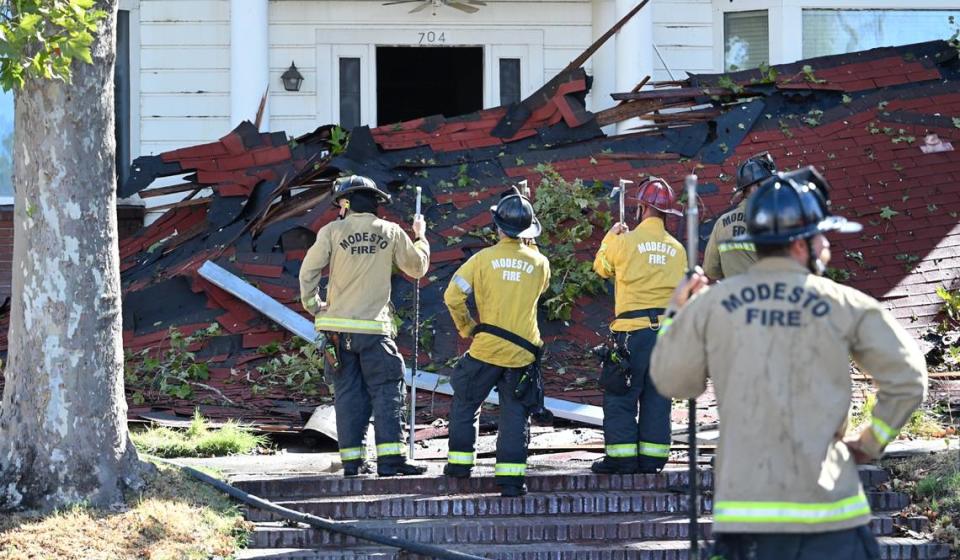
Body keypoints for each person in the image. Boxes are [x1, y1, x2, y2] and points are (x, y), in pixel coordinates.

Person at [650, 167, 927, 560]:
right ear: (801, 244)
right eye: (821, 235)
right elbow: (909, 379)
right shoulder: (844, 304)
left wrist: (675, 315)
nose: (826, 244)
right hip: (832, 518)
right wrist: (867, 445)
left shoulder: (712, 306)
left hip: (747, 525)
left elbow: (673, 381)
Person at [299, 175, 430, 477]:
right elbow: (417, 268)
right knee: (386, 391)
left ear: (345, 203)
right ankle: (391, 461)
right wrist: (420, 237)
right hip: (374, 331)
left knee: (348, 395)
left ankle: (353, 463)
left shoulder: (331, 231)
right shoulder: (391, 231)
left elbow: (309, 270)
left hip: (336, 333)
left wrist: (313, 304)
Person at [442, 186, 551, 497]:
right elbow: (540, 289)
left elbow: (452, 296)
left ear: (497, 226)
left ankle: (460, 467)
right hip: (522, 353)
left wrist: (468, 327)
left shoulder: (481, 260)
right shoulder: (539, 263)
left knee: (465, 401)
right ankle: (511, 481)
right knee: (515, 414)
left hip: (486, 349)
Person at [590, 177, 687, 475]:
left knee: (621, 395)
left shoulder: (625, 241)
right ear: (668, 213)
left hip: (632, 333)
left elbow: (601, 267)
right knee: (658, 398)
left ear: (642, 207)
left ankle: (621, 459)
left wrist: (611, 236)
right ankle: (653, 460)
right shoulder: (677, 249)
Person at [702, 153, 777, 280]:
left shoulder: (721, 223)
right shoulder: (773, 220)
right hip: (768, 295)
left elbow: (710, 270)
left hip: (734, 296)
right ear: (754, 188)